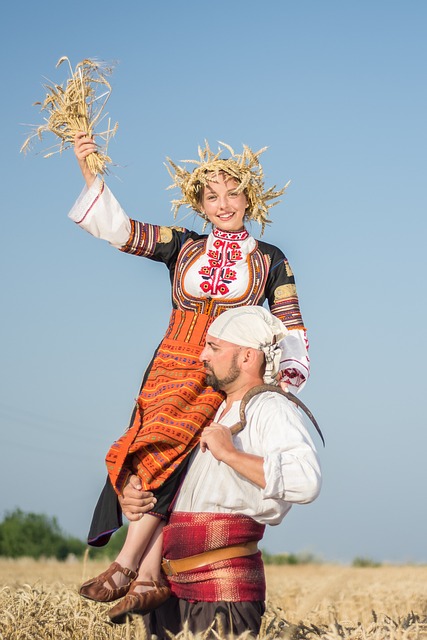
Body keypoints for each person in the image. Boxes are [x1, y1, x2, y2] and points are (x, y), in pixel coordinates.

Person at [70, 134, 311, 609]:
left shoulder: (270, 259)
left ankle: (129, 568)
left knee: (183, 457)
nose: (223, 205)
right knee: (153, 454)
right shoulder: (182, 246)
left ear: (249, 197)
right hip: (167, 366)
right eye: (211, 197)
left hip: (219, 372)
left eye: (232, 193)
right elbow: (120, 230)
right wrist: (87, 169)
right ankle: (147, 575)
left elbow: (291, 324)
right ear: (199, 204)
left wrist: (283, 383)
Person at [110, 306, 321, 636]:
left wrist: (230, 453)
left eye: (215, 347)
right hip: (169, 592)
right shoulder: (209, 411)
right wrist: (135, 495)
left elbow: (305, 480)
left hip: (224, 594)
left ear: (247, 357)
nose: (202, 355)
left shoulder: (271, 407)